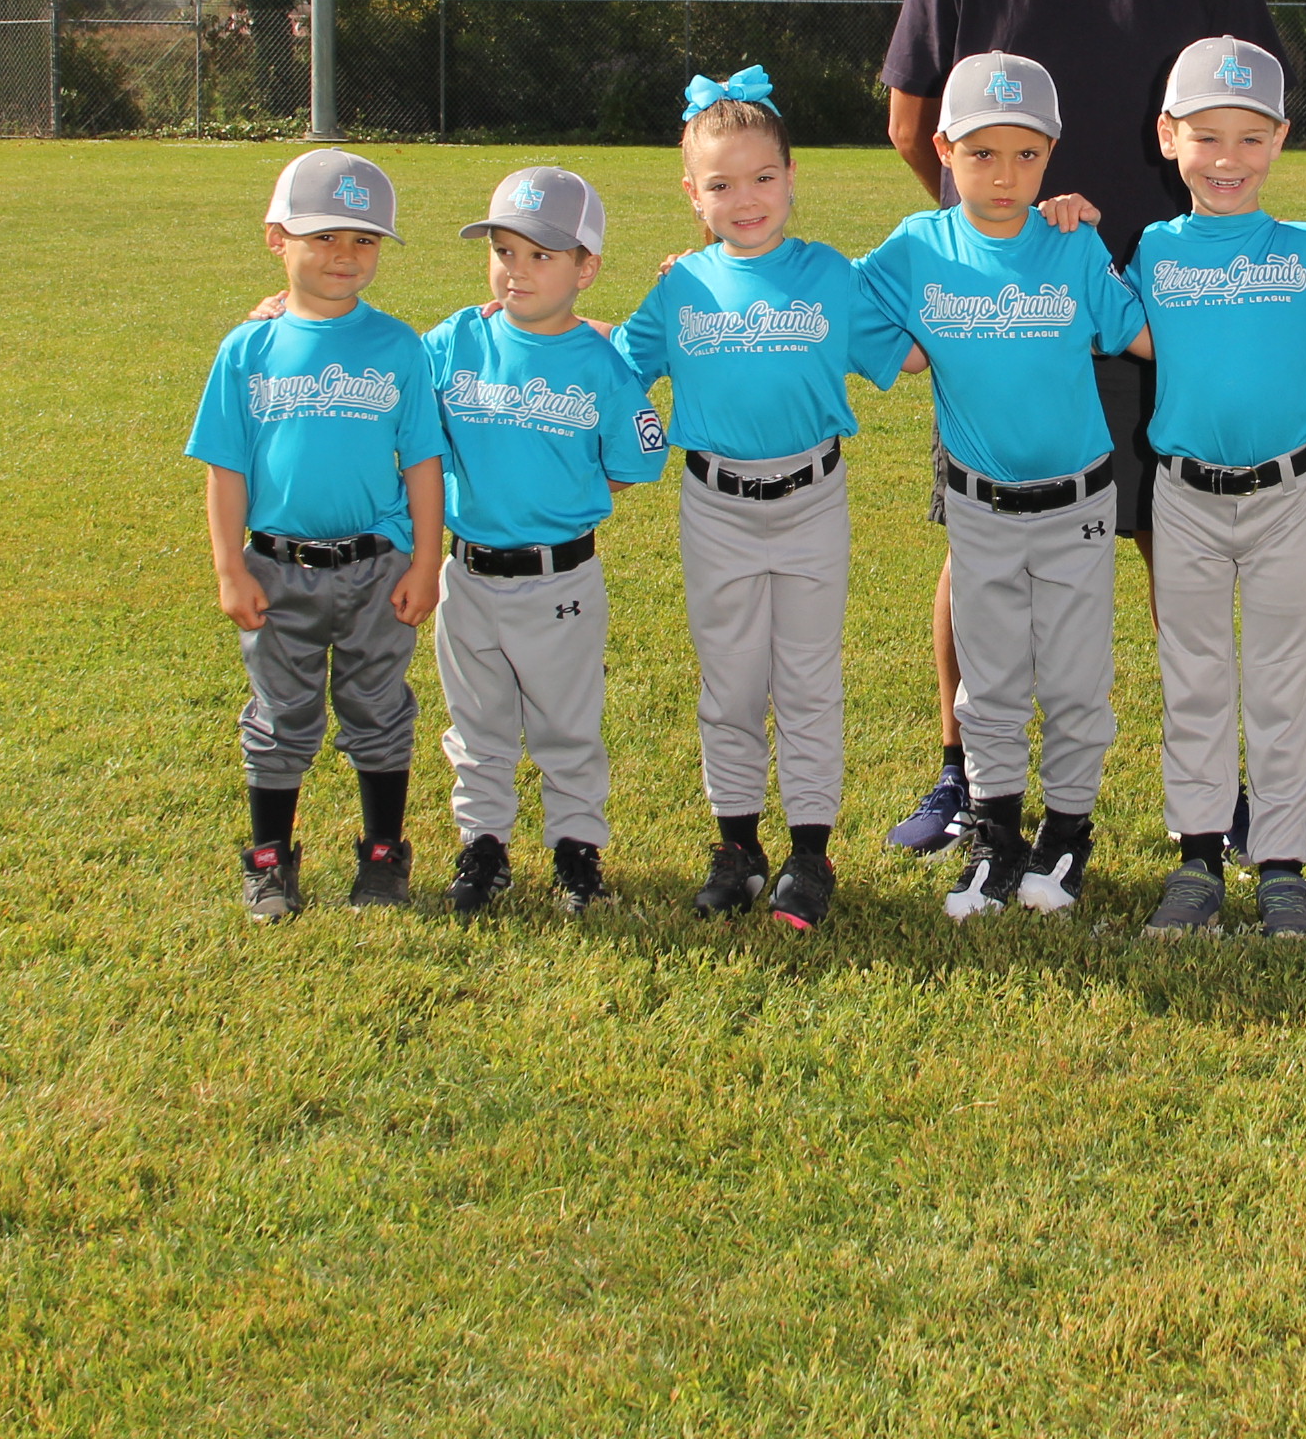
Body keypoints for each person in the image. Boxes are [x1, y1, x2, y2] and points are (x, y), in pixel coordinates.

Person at [877, 0, 1280, 855]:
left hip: (1161, 307)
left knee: (1176, 549)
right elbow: (912, 122)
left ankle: (1213, 786)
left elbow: (1249, 121)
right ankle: (963, 773)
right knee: (982, 544)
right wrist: (996, 251)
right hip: (1009, 313)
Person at [614, 68, 917, 933]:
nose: (744, 199)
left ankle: (809, 854)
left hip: (812, 499)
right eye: (720, 185)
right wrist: (529, 325)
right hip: (716, 506)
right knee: (731, 682)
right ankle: (738, 848)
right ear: (692, 195)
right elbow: (615, 364)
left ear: (791, 177)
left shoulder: (829, 275)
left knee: (808, 679)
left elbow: (911, 353)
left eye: (762, 177)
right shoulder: (681, 287)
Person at [860, 53, 1151, 921]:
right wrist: (710, 274)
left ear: (1051, 155)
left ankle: (1067, 834)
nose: (1004, 174)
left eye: (1027, 155)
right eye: (982, 153)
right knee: (987, 683)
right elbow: (828, 305)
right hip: (980, 507)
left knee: (1073, 681)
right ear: (943, 150)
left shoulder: (1071, 242)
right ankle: (996, 836)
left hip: (1079, 505)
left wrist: (1247, 312)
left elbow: (1143, 334)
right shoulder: (917, 247)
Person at [184, 149, 447, 922]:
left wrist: (425, 562)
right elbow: (226, 469)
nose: (344, 254)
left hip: (377, 565)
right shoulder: (247, 349)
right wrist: (229, 568)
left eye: (364, 239)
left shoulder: (398, 346)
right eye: (324, 235)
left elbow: (423, 463)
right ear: (277, 239)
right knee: (279, 715)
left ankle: (383, 854)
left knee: (379, 708)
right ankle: (270, 860)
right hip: (276, 566)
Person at [1126, 37, 1306, 939]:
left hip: (1287, 493)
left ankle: (1282, 861)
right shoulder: (1154, 249)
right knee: (1195, 674)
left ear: (1281, 139)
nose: (1228, 158)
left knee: (1285, 676)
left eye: (1251, 137)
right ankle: (1199, 855)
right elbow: (1114, 324)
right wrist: (1060, 229)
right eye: (1206, 135)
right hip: (1185, 496)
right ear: (1168, 137)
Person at [425, 166, 670, 920]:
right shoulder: (456, 340)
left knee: (566, 725)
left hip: (559, 578)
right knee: (477, 722)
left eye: (541, 255)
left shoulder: (601, 365)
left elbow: (632, 459)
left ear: (585, 269)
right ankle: (483, 845)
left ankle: (576, 847)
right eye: (503, 251)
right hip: (467, 573)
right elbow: (386, 382)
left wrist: (562, 501)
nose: (517, 270)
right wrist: (286, 312)